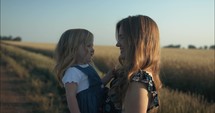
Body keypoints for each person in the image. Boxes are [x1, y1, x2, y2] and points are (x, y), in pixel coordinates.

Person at [103, 15, 162, 113]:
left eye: (122, 37)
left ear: (137, 40)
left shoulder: (137, 81)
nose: (117, 44)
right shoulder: (136, 76)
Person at [54, 29, 113, 113]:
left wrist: (109, 75)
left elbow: (97, 86)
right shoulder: (72, 72)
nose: (93, 49)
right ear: (73, 48)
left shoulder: (88, 66)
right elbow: (71, 97)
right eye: (89, 46)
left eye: (92, 46)